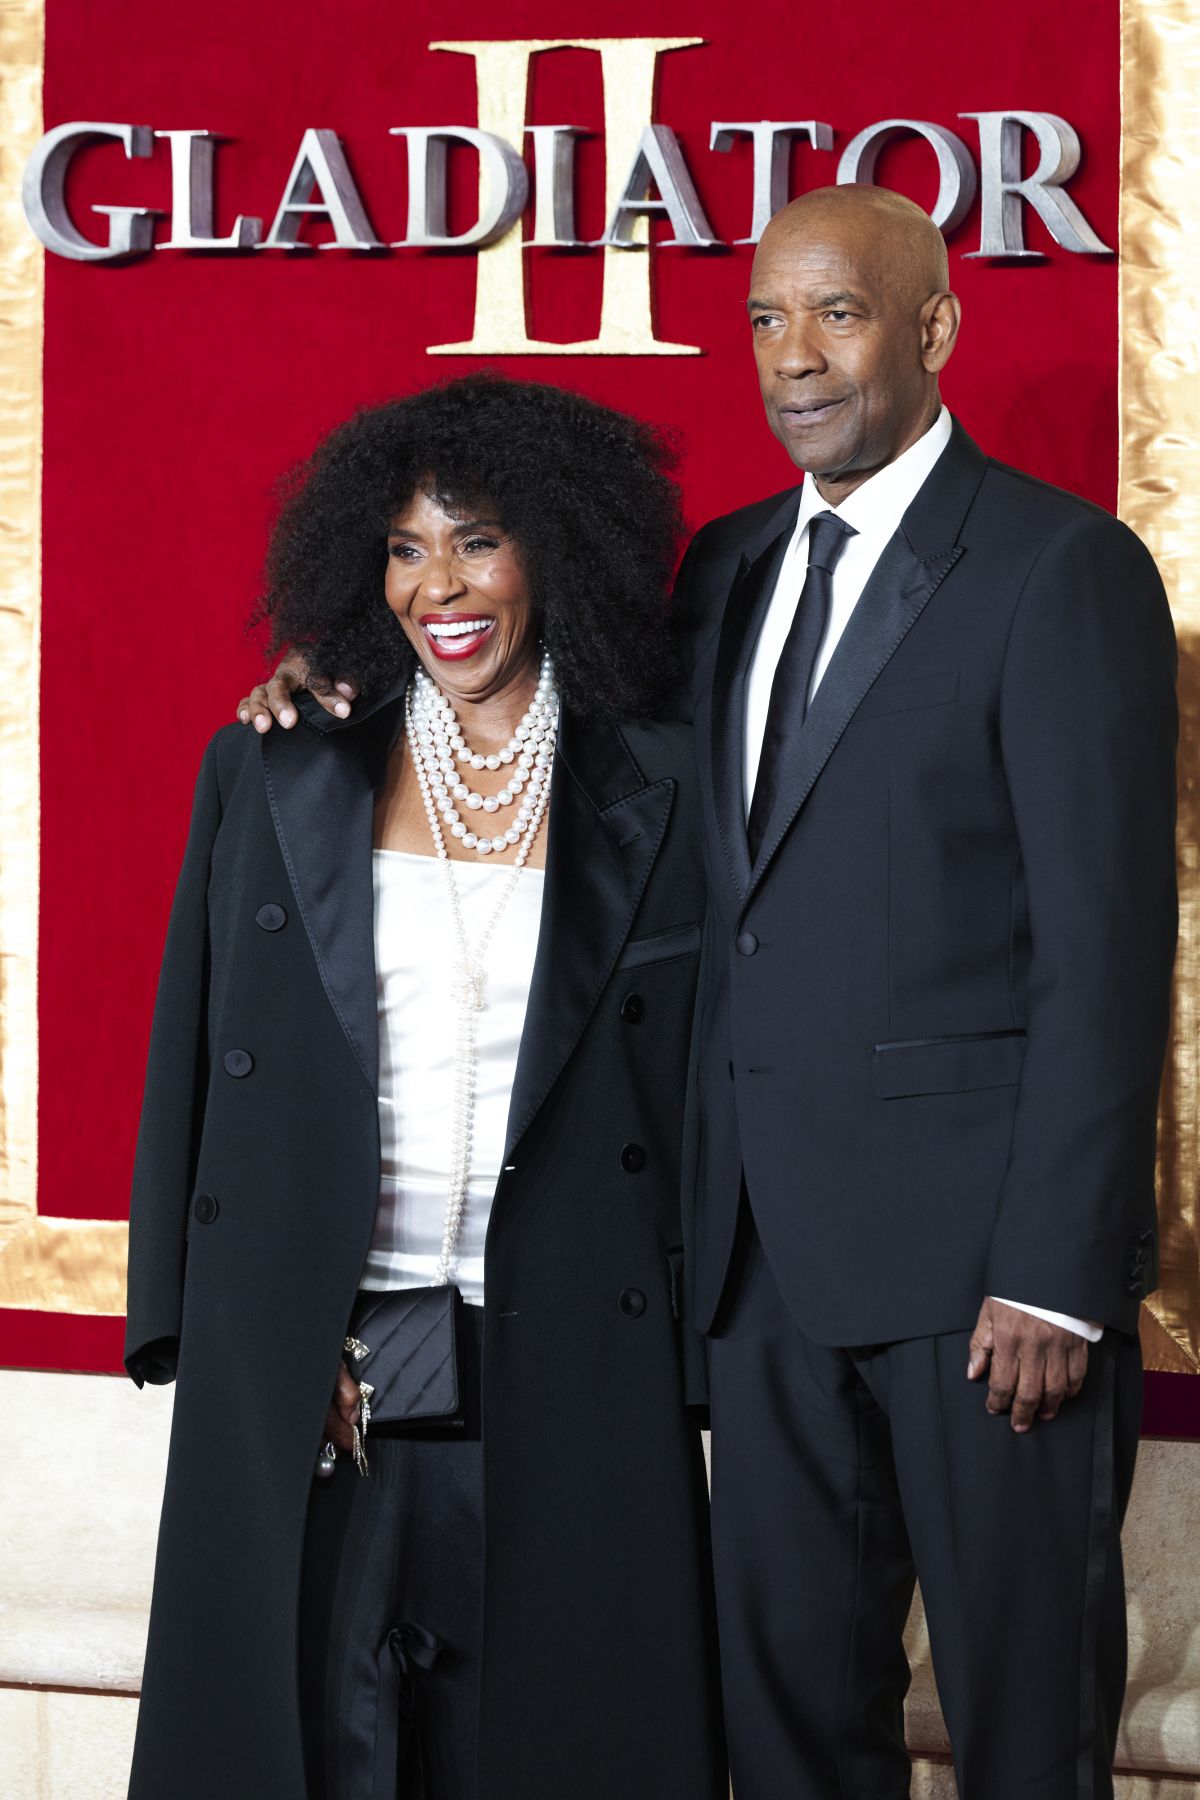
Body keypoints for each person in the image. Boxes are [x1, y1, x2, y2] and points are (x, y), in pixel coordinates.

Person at [240, 188, 1179, 1796]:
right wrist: (340, 685)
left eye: (839, 315)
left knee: (1029, 1738)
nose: (794, 359)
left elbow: (1109, 945)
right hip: (754, 1279)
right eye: (763, 320)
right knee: (789, 1737)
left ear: (934, 329)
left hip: (983, 1292)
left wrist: (1057, 1272)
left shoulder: (1060, 567)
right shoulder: (727, 569)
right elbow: (535, 705)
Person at [124, 375, 727, 1800]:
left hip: (567, 1350)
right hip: (319, 1370)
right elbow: (193, 1053)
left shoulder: (667, 787)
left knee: (554, 1746)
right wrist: (217, 1328)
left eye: (476, 541)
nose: (437, 586)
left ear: (558, 551)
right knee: (303, 1745)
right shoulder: (280, 767)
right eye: (403, 548)